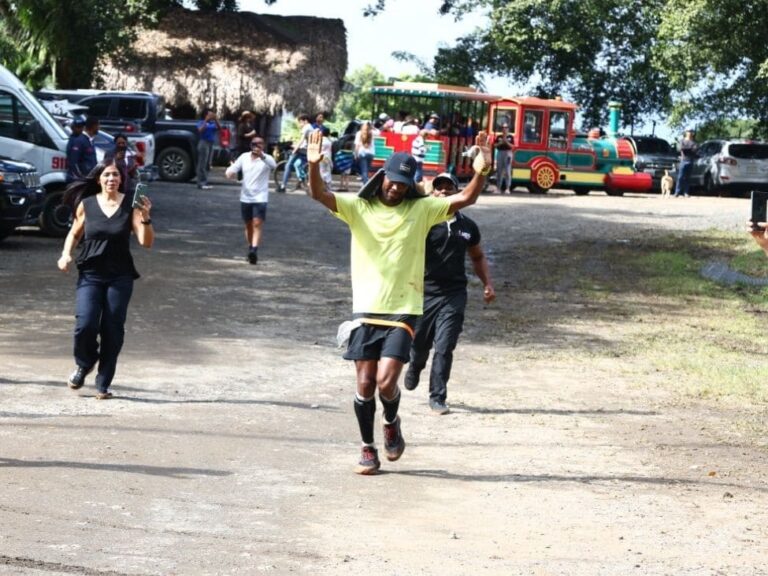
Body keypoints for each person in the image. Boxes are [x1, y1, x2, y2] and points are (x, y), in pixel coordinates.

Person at [306, 128, 491, 475]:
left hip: (404, 308)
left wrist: (481, 171)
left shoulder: (421, 211)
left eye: (403, 184)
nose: (396, 188)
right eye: (392, 181)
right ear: (382, 178)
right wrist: (314, 165)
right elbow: (319, 194)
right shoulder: (358, 207)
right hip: (366, 308)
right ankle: (367, 448)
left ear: (410, 185)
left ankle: (391, 421)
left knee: (385, 382)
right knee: (363, 384)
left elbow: (466, 199)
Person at [57, 160, 154, 399]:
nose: (112, 179)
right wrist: (65, 254)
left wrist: (146, 216)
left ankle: (103, 383)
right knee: (85, 324)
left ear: (121, 180)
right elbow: (74, 233)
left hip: (120, 276)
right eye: (107, 175)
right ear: (99, 179)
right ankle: (85, 362)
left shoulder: (131, 206)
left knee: (112, 328)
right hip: (90, 273)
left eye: (116, 175)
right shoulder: (87, 205)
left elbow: (146, 242)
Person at [404, 172, 496, 414]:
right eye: (439, 188)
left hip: (454, 294)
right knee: (420, 343)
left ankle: (438, 397)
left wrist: (488, 283)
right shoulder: (421, 221)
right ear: (432, 192)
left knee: (445, 346)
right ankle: (415, 365)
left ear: (457, 192)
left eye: (448, 188)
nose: (443, 192)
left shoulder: (467, 227)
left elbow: (477, 256)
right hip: (424, 292)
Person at [224, 135, 276, 264]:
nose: (257, 146)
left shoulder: (267, 158)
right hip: (246, 197)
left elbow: (273, 165)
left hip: (260, 197)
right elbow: (233, 169)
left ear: (263, 145)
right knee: (248, 225)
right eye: (254, 144)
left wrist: (262, 156)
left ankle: (254, 250)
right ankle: (250, 247)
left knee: (257, 223)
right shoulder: (244, 157)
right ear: (250, 145)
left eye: (260, 144)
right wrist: (229, 172)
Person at [279, 113, 312, 193]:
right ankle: (301, 179)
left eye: (300, 122)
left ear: (305, 121)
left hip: (302, 150)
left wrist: (294, 150)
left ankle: (283, 185)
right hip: (307, 150)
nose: (299, 124)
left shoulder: (306, 128)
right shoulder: (311, 128)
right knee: (297, 164)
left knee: (288, 165)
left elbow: (301, 141)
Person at [66, 116, 99, 183]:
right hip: (79, 181)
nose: (99, 128)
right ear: (93, 126)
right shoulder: (79, 141)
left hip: (88, 179)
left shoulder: (90, 140)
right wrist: (81, 178)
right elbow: (73, 162)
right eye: (98, 125)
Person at [196, 108, 220, 190]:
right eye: (209, 114)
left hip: (211, 144)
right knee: (202, 163)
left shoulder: (212, 123)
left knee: (208, 163)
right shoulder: (201, 122)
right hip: (203, 143)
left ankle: (204, 182)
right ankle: (201, 183)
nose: (210, 116)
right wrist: (205, 120)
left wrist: (216, 119)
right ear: (205, 115)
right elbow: (200, 130)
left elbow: (219, 128)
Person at [674, 129, 697, 198]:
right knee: (680, 177)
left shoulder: (694, 142)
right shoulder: (682, 141)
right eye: (688, 132)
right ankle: (677, 192)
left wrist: (686, 149)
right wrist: (688, 149)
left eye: (691, 132)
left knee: (688, 177)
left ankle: (686, 192)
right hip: (683, 160)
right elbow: (680, 148)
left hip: (691, 160)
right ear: (686, 133)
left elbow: (694, 149)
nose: (690, 133)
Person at [354, 121, 375, 185]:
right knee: (366, 171)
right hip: (371, 153)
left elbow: (357, 145)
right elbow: (379, 132)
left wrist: (355, 154)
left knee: (364, 171)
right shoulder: (372, 133)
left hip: (362, 153)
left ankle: (365, 185)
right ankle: (365, 184)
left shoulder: (359, 133)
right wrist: (372, 127)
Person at [494, 123, 514, 193]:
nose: (504, 129)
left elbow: (512, 146)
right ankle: (498, 188)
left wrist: (506, 142)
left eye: (506, 127)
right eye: (503, 128)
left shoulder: (511, 137)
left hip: (508, 153)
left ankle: (508, 188)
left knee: (507, 171)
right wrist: (502, 142)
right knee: (499, 171)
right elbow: (495, 145)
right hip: (500, 152)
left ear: (508, 129)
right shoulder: (499, 137)